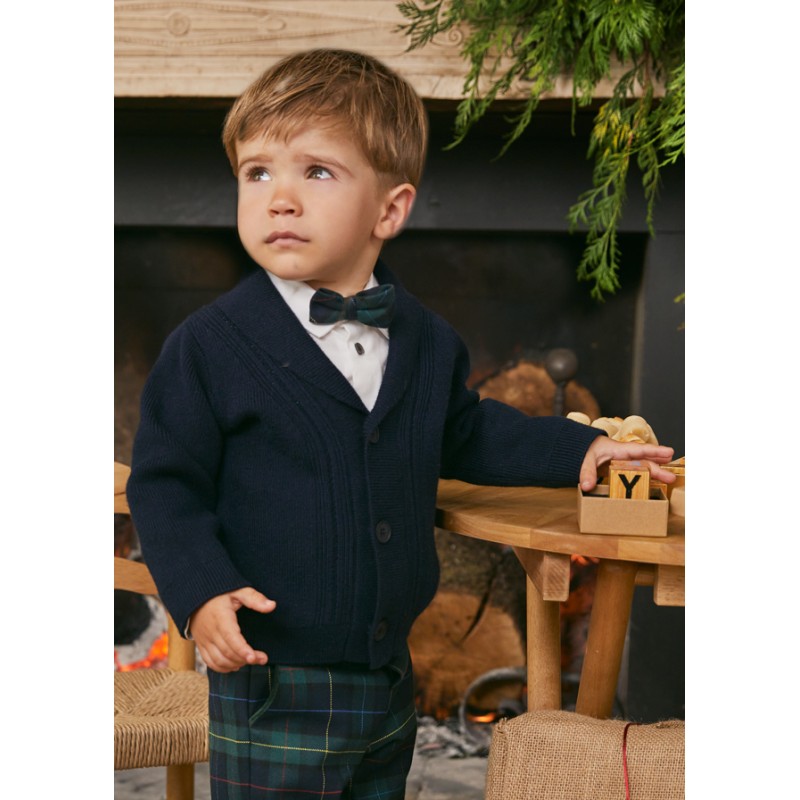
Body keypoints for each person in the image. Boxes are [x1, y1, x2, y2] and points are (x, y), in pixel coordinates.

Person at [126, 48, 676, 800]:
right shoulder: (209, 347)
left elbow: (468, 432)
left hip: (389, 672)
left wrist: (580, 449)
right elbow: (167, 485)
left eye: (317, 171)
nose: (279, 198)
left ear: (389, 210)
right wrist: (200, 592)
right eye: (257, 173)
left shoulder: (425, 339)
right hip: (273, 672)